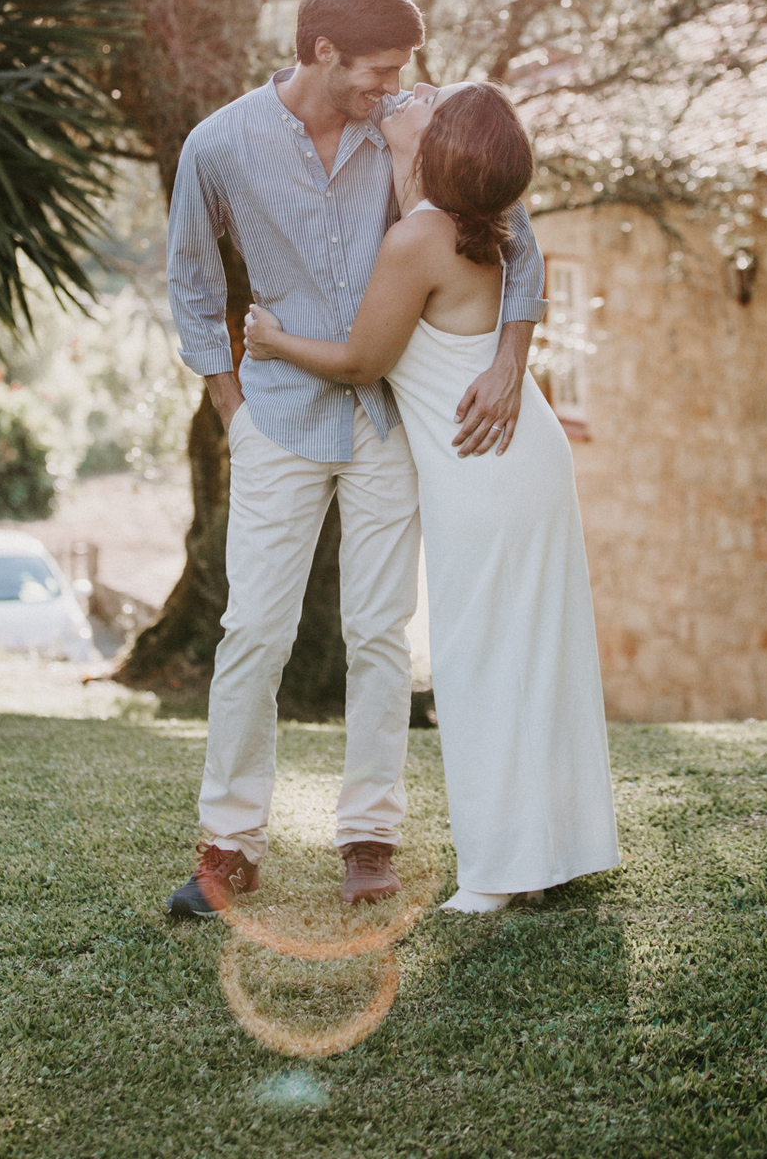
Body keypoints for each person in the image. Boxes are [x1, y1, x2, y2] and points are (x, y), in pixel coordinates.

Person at [164, 0, 548, 919]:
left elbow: (514, 235)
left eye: (401, 71)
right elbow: (193, 283)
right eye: (379, 69)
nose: (393, 86)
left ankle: (370, 836)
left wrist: (510, 359)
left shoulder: (413, 128)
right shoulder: (220, 146)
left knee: (380, 632)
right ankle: (229, 845)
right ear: (324, 51)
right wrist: (233, 411)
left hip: (389, 423)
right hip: (279, 422)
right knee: (255, 630)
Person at [244, 80, 619, 911]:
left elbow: (360, 362)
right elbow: (523, 251)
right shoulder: (479, 222)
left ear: (440, 144)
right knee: (530, 659)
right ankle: (554, 850)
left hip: (486, 469)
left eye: (429, 101)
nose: (411, 94)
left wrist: (272, 340)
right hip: (520, 460)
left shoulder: (419, 236)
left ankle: (498, 872)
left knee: (482, 661)